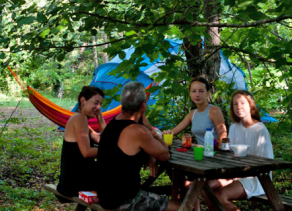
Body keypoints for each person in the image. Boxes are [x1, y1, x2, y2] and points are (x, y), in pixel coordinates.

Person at [96, 82, 180, 211]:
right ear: (143, 105)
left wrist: (149, 156)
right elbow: (165, 154)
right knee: (182, 208)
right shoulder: (138, 131)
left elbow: (127, 151)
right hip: (125, 201)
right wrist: (149, 128)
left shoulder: (112, 124)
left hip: (106, 196)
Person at [204, 90, 274, 211]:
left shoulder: (260, 130)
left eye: (242, 103)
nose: (238, 107)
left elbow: (267, 163)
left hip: (257, 178)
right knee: (205, 188)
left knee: (220, 196)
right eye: (235, 104)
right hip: (235, 174)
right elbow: (231, 154)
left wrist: (240, 175)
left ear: (251, 106)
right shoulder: (234, 127)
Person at [55, 86, 107, 200]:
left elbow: (104, 140)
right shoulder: (79, 118)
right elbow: (87, 152)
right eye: (96, 103)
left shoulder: (83, 121)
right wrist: (114, 152)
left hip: (75, 180)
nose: (98, 107)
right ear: (83, 101)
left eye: (100, 104)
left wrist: (100, 117)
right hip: (75, 183)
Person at [164, 77, 227, 146]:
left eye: (201, 91)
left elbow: (223, 138)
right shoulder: (192, 114)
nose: (197, 95)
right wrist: (166, 133)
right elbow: (173, 132)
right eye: (194, 91)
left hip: (215, 153)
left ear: (208, 93)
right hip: (199, 152)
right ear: (190, 94)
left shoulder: (214, 111)